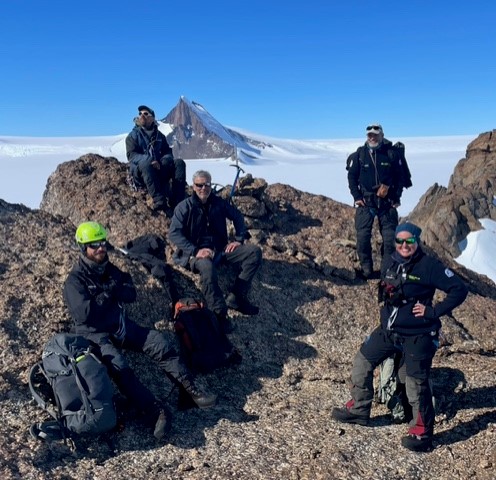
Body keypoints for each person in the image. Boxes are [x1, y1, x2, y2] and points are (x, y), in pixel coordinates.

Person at [63, 221, 217, 440]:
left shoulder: (109, 268)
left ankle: (190, 389)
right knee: (120, 367)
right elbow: (85, 314)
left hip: (120, 326)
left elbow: (130, 292)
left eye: (102, 243)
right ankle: (155, 411)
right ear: (83, 248)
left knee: (158, 341)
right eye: (93, 244)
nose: (100, 248)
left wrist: (108, 293)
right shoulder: (74, 281)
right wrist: (109, 293)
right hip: (94, 335)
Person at [331, 222, 468, 452]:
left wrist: (433, 311)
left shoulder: (429, 266)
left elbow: (459, 289)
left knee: (415, 384)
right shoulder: (390, 260)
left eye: (410, 241)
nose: (404, 245)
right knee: (362, 362)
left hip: (419, 334)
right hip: (389, 331)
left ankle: (422, 433)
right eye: (400, 241)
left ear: (417, 241)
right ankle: (359, 409)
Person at [168, 170, 262, 327]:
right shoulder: (184, 207)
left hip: (220, 250)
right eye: (199, 185)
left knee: (254, 252)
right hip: (195, 254)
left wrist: (238, 239)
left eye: (207, 184)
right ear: (193, 186)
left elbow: (237, 217)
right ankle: (218, 314)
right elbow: (174, 233)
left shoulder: (219, 203)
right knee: (207, 267)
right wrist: (196, 251)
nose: (203, 188)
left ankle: (237, 297)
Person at [346, 124, 406, 279]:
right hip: (366, 202)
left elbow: (400, 178)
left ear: (381, 135)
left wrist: (396, 197)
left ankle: (386, 274)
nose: (372, 137)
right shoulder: (360, 155)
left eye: (375, 135)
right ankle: (367, 271)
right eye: (369, 135)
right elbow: (352, 177)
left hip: (387, 204)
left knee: (390, 241)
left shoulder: (391, 154)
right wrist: (357, 197)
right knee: (363, 238)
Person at [126, 105, 187, 213]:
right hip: (142, 173)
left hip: (158, 169)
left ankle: (177, 200)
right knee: (145, 164)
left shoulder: (160, 136)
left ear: (152, 118)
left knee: (179, 163)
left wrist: (163, 161)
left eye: (146, 114)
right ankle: (159, 200)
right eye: (140, 114)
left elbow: (167, 152)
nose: (142, 116)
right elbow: (132, 155)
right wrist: (149, 160)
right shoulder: (132, 136)